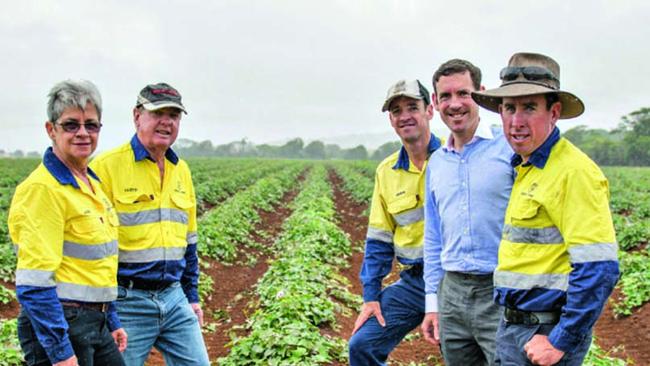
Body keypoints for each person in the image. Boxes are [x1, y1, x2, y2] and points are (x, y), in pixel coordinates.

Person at [472, 52, 620, 366]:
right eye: (509, 108)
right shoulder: (527, 167)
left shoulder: (573, 172)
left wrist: (560, 339)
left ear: (553, 113)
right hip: (515, 326)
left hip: (545, 332)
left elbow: (599, 268)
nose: (516, 121)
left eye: (529, 107)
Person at [8, 80, 126, 366]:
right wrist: (61, 353)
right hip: (62, 323)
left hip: (93, 322)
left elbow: (94, 265)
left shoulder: (90, 183)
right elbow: (34, 284)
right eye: (71, 125)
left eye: (91, 125)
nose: (83, 133)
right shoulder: (43, 189)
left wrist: (110, 319)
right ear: (52, 130)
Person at [90, 83, 209, 365]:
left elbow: (189, 241)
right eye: (158, 113)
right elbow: (94, 248)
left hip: (174, 297)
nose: (167, 122)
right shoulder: (105, 167)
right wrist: (108, 311)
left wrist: (191, 296)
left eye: (174, 115)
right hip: (127, 300)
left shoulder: (181, 170)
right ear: (137, 116)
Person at [421, 59, 514, 365]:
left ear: (481, 94)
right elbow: (433, 237)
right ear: (435, 102)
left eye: (463, 93)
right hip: (452, 293)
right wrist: (432, 302)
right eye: (445, 96)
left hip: (500, 291)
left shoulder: (510, 148)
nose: (454, 104)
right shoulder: (437, 163)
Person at [348, 79, 442, 365]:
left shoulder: (452, 160)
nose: (404, 116)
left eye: (412, 107)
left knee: (459, 353)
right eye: (396, 111)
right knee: (362, 345)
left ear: (430, 110)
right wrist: (371, 296)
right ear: (391, 120)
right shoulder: (386, 171)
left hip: (455, 283)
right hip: (414, 282)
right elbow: (379, 239)